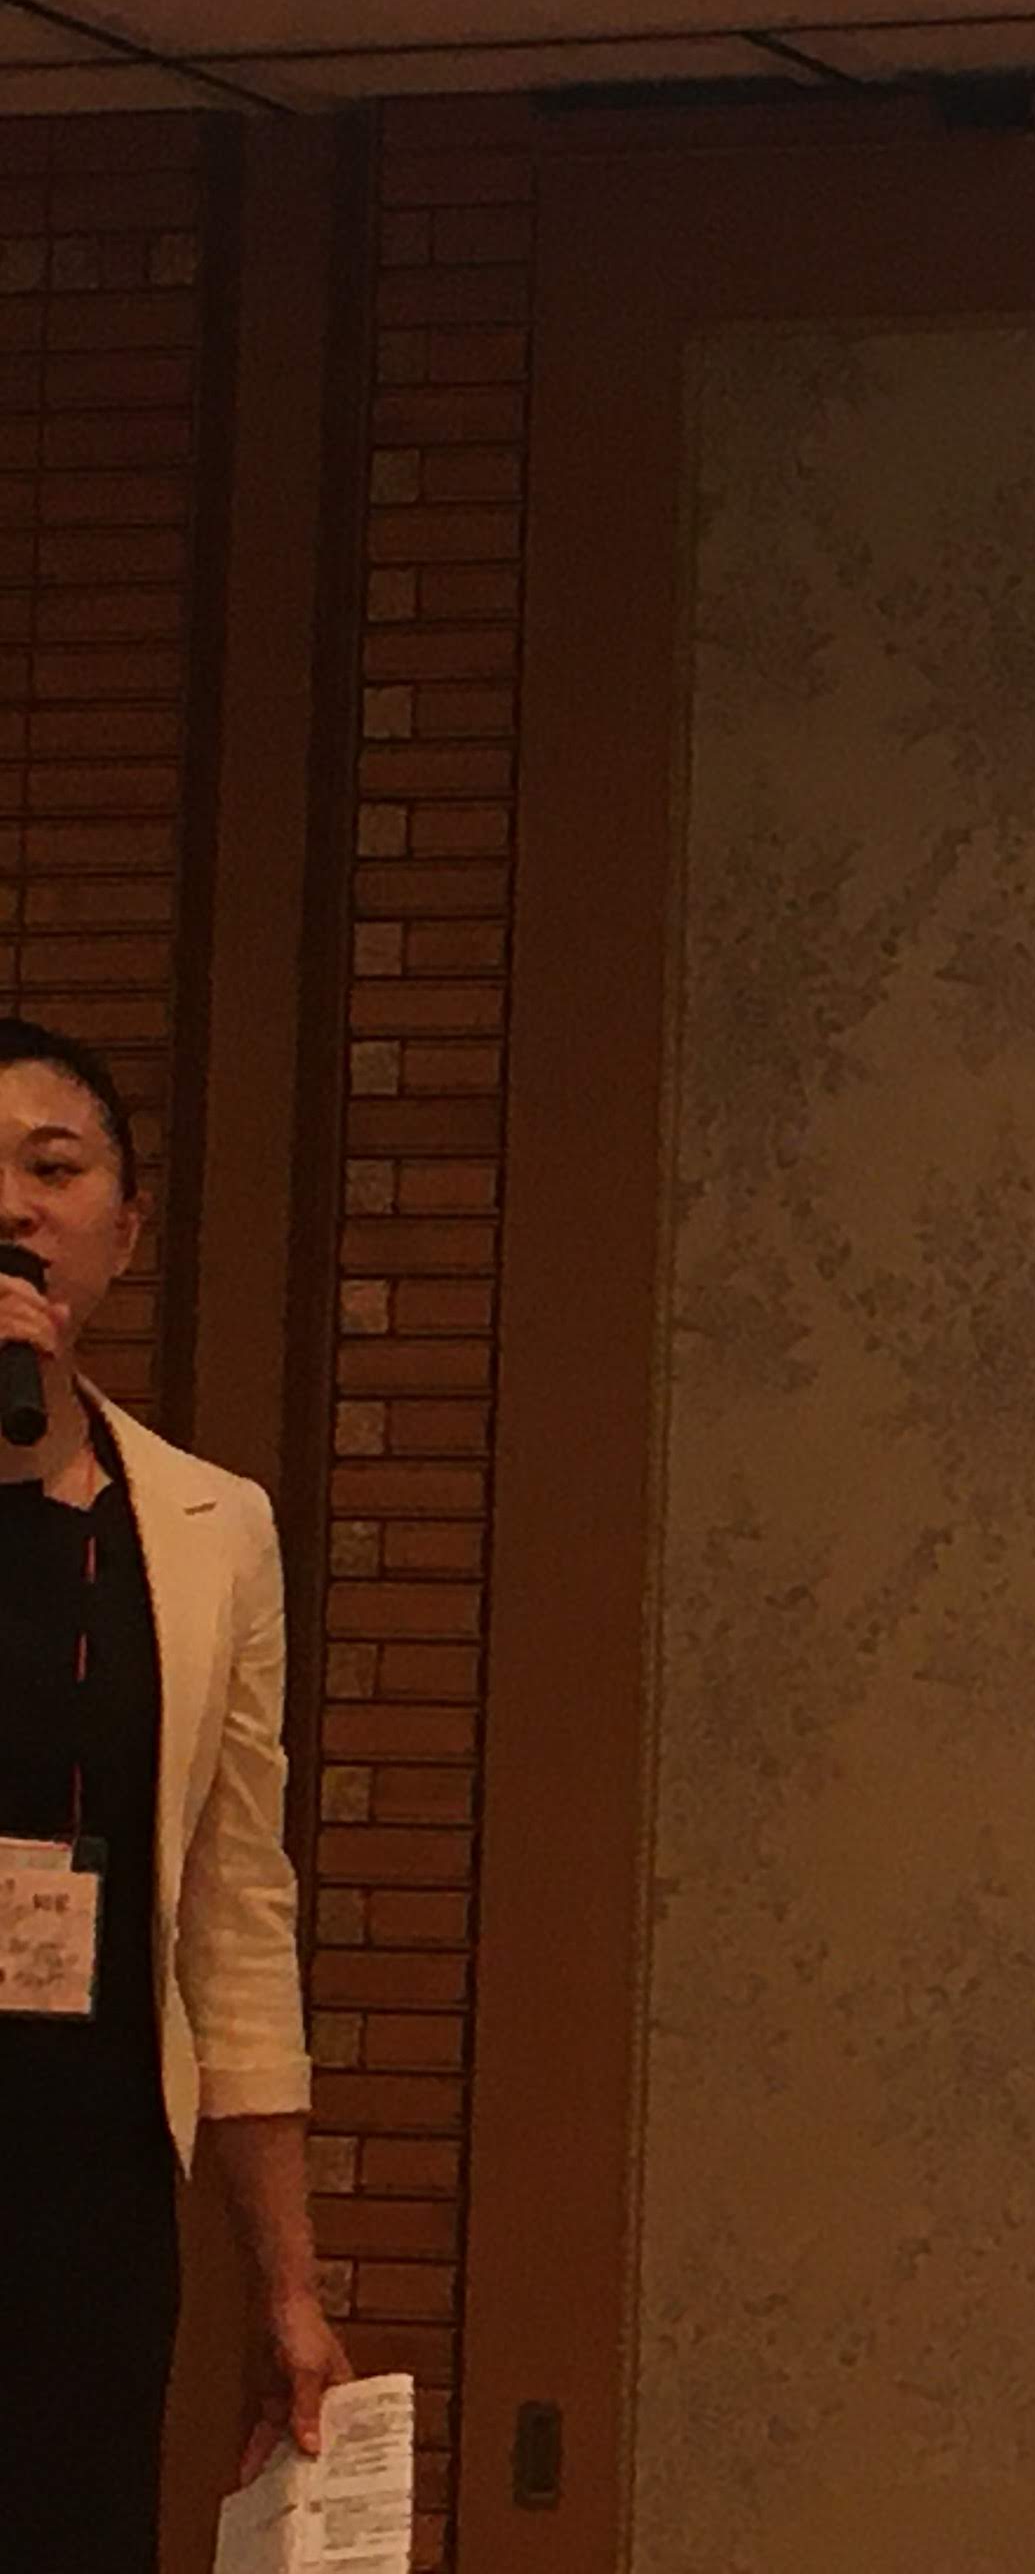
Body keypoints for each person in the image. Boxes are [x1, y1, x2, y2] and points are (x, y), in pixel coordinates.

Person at [0, 1016, 346, 2567]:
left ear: (125, 1230)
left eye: (53, 1168)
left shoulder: (214, 1528)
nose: (12, 1207)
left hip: (88, 2185)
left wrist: (288, 2283)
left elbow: (236, 1909)